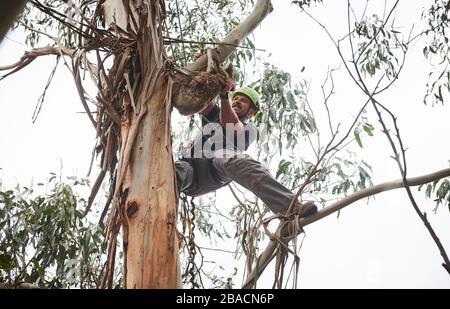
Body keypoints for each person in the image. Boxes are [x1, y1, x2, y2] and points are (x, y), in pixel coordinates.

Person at [175, 80, 317, 217]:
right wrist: (207, 71)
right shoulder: (214, 114)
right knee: (174, 172)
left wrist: (224, 96)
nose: (236, 101)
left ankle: (291, 207)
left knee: (228, 157)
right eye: (235, 98)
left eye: (243, 100)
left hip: (213, 173)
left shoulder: (249, 129)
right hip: (189, 167)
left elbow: (230, 124)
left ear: (251, 113)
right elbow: (201, 98)